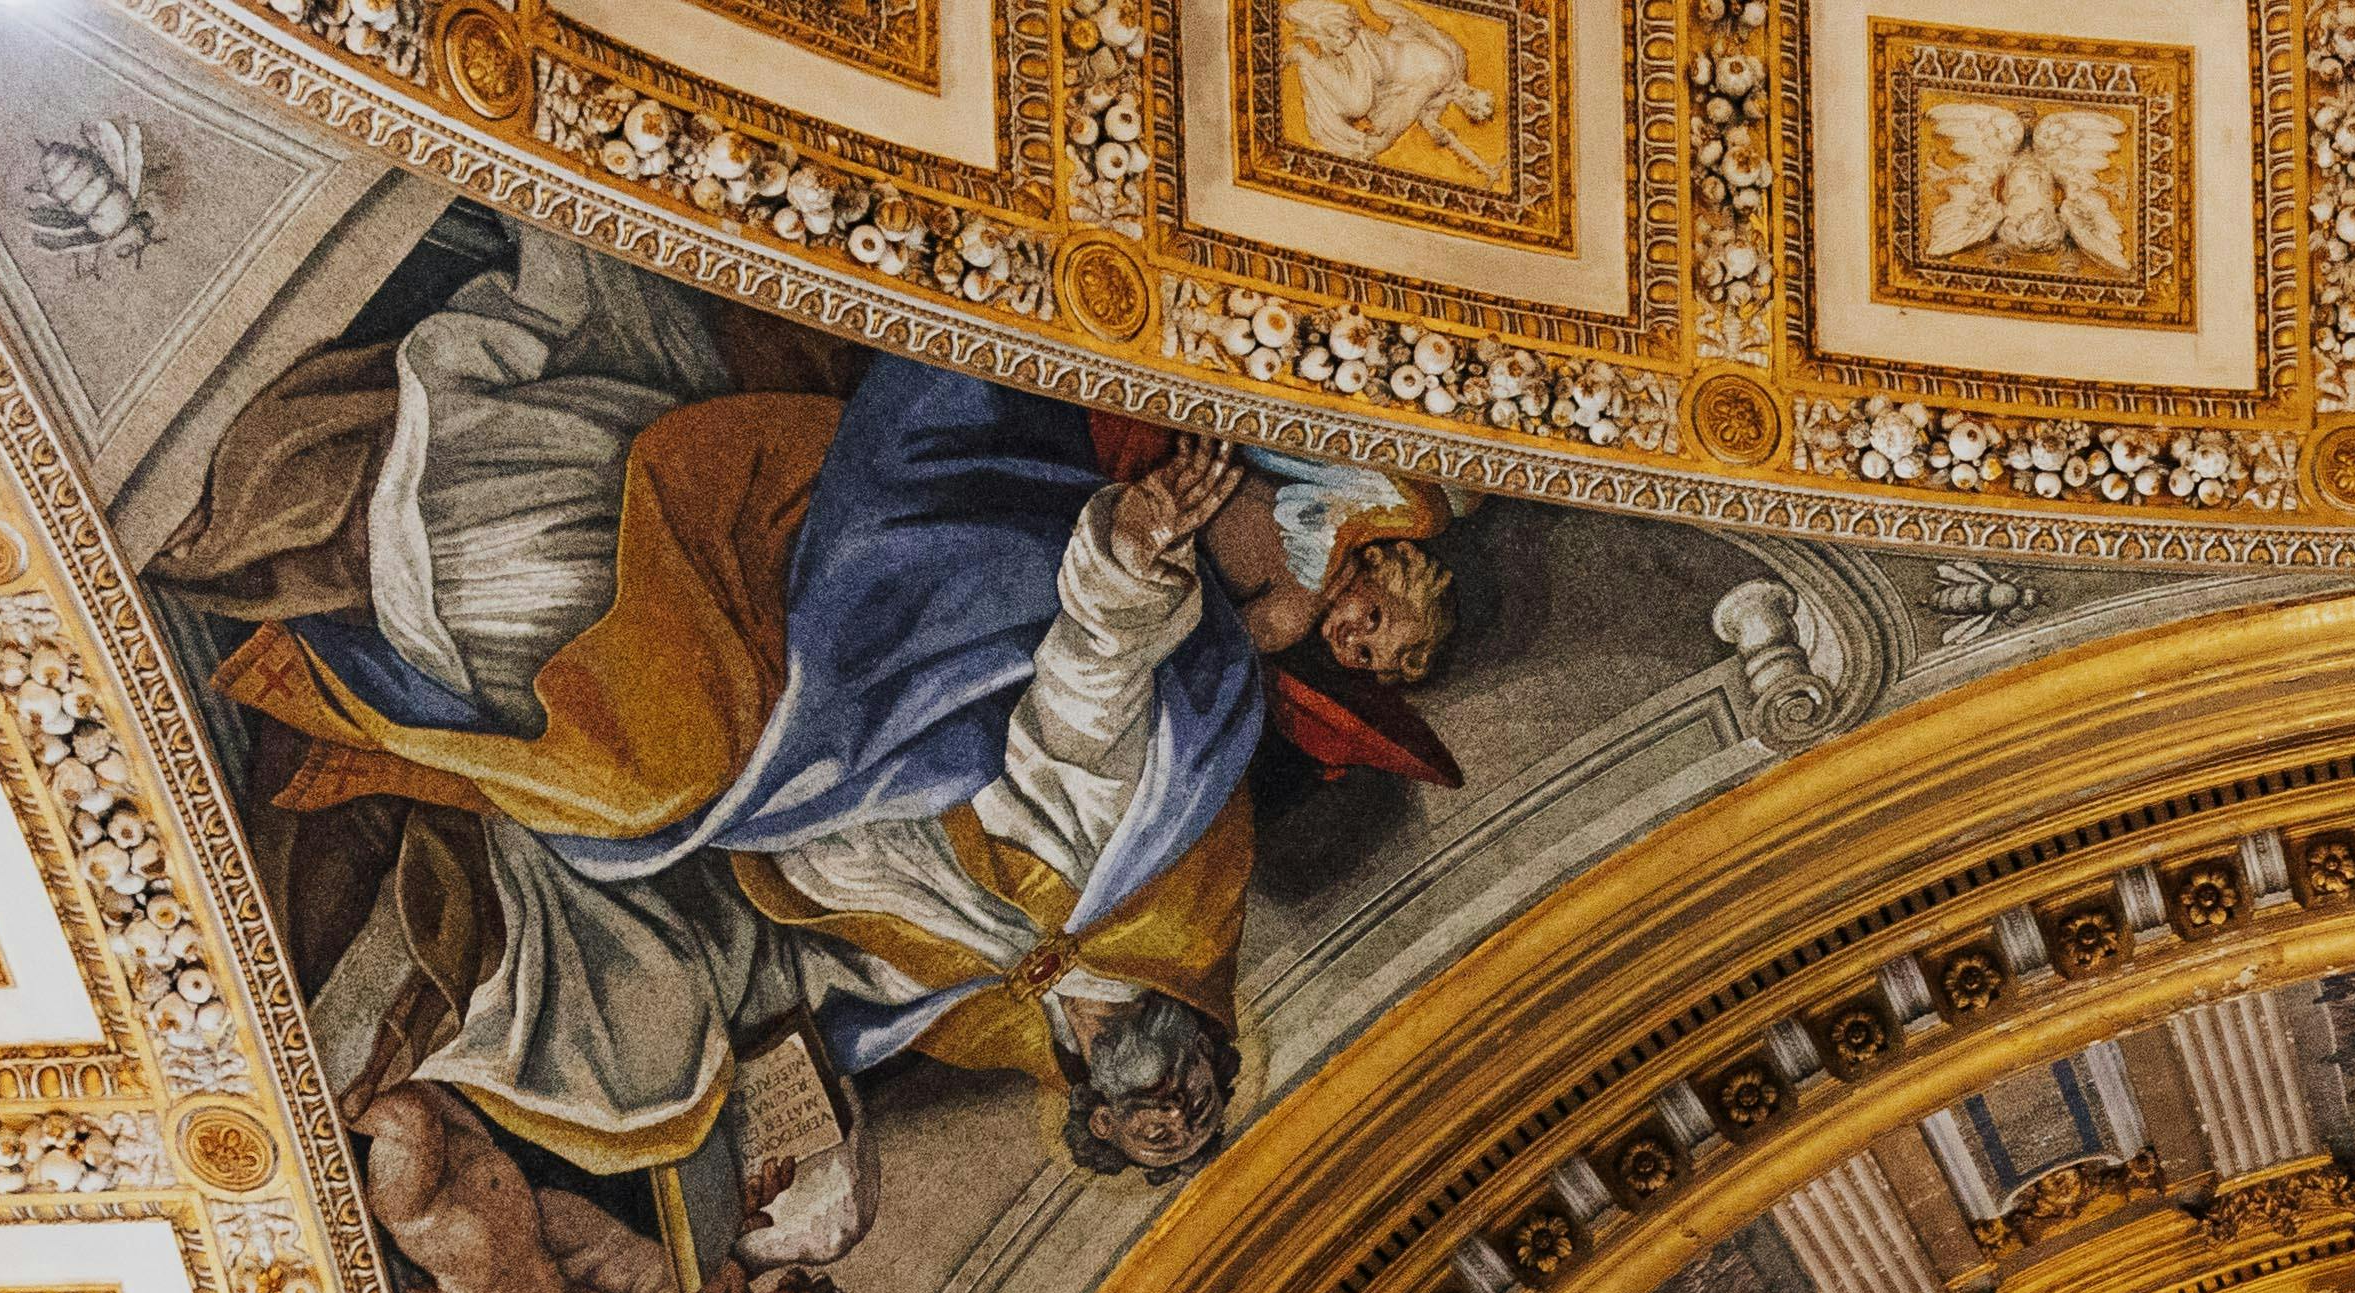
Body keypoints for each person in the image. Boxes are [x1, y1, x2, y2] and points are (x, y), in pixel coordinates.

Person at [194, 223, 1453, 1190]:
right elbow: (1085, 708)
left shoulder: (978, 1022)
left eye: (1155, 1135)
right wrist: (1126, 556)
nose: (1175, 1114)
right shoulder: (1165, 883)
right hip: (868, 656)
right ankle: (335, 557)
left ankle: (370, 784)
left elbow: (822, 944)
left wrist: (781, 1061)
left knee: (634, 1053)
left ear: (1091, 1110)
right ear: (1208, 1046)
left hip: (764, 809)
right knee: (603, 721)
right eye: (1196, 1107)